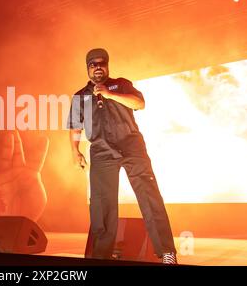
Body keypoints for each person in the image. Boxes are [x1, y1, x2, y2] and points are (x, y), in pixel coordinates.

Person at [67, 48, 177, 264]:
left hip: (132, 146)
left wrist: (110, 94)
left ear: (107, 65)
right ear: (88, 68)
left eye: (101, 63)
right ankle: (101, 257)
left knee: (149, 195)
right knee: (101, 205)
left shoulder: (121, 84)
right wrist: (75, 152)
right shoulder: (80, 96)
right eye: (93, 64)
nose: (97, 67)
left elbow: (139, 104)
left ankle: (166, 253)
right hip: (101, 151)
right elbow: (74, 127)